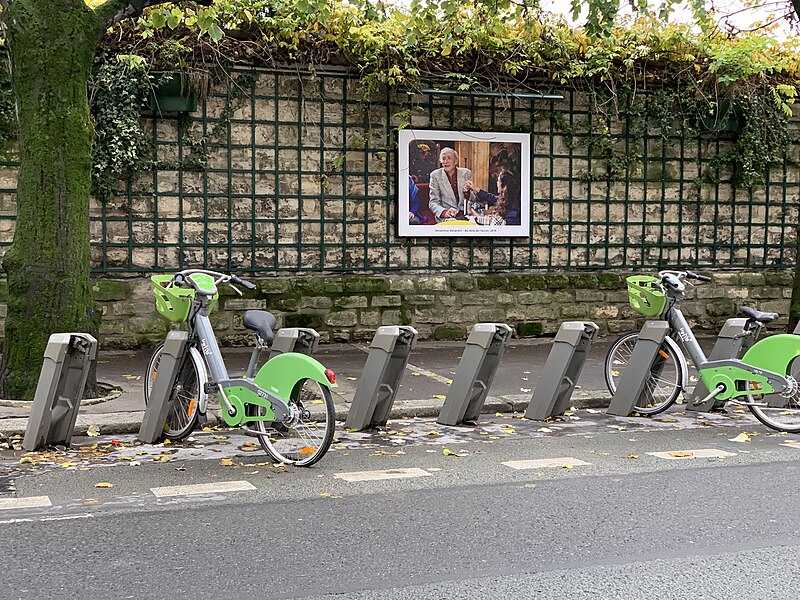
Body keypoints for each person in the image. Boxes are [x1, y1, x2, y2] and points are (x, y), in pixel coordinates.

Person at [428, 147, 472, 222]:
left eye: (449, 158)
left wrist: (467, 192)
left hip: (465, 214)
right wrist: (445, 212)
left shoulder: (466, 173)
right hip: (447, 217)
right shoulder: (435, 175)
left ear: (455, 161)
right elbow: (433, 202)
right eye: (443, 158)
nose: (446, 161)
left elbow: (473, 199)